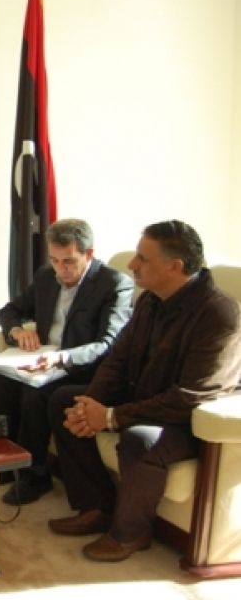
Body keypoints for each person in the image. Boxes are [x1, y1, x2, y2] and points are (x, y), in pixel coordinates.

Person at [47, 220, 241, 562]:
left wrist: (111, 417)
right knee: (65, 400)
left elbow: (190, 397)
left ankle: (130, 534)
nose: (132, 264)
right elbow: (118, 360)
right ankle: (98, 507)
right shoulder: (151, 299)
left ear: (174, 266)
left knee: (140, 439)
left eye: (142, 258)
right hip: (147, 398)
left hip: (190, 419)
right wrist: (90, 404)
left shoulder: (218, 314)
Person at [0, 218, 133, 505]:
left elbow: (107, 345)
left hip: (82, 367)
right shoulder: (46, 277)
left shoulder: (114, 285)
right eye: (54, 260)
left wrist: (61, 357)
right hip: (44, 360)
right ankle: (6, 461)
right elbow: (10, 310)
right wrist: (16, 331)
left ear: (88, 254)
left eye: (68, 261)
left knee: (35, 394)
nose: (60, 269)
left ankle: (35, 475)